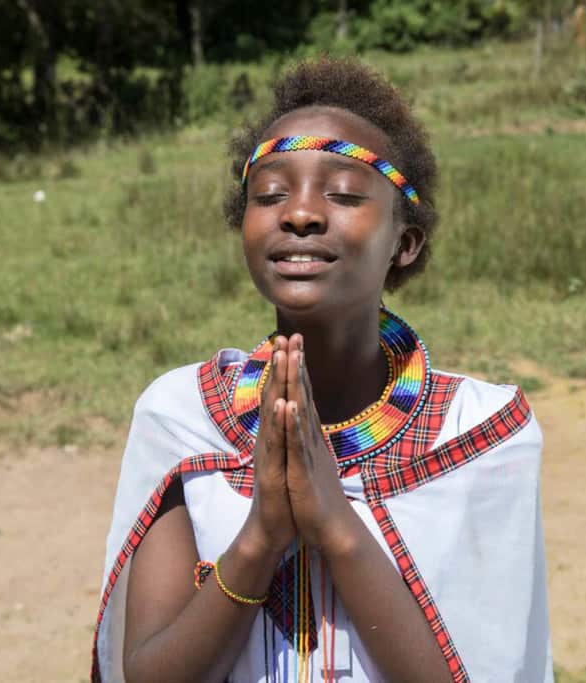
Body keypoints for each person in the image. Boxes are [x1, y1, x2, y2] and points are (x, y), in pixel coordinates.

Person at [92, 58, 552, 683]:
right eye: (271, 194)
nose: (300, 214)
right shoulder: (183, 420)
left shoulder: (482, 435)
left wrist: (335, 526)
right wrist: (261, 536)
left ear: (405, 241)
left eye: (341, 193)